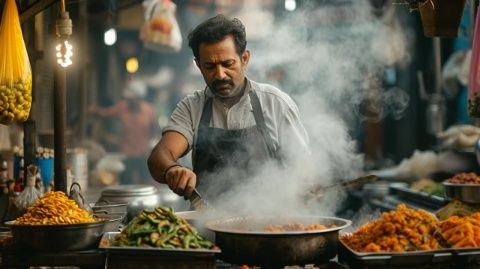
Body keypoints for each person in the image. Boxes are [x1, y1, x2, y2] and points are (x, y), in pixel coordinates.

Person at [147, 15, 309, 202]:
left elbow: (303, 170)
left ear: (245, 59)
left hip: (269, 224)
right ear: (199, 65)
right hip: (207, 225)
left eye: (227, 64)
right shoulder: (192, 107)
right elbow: (159, 156)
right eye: (210, 66)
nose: (220, 74)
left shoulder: (276, 104)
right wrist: (171, 170)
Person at [90, 80, 156, 184]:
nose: (129, 101)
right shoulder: (123, 106)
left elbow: (154, 130)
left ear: (139, 98)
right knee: (126, 181)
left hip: (143, 153)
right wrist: (95, 110)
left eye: (132, 99)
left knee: (145, 182)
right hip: (126, 152)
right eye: (128, 99)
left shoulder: (149, 111)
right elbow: (106, 113)